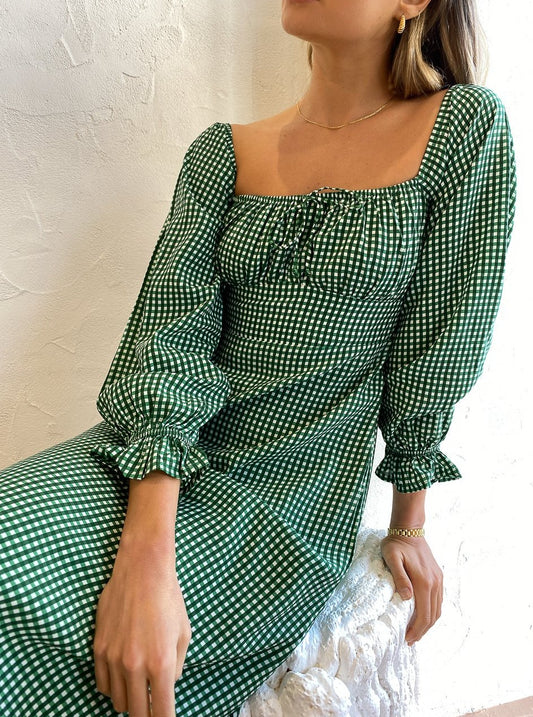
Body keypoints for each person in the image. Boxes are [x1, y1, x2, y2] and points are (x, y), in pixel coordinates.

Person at [0, 0, 517, 714]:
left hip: (283, 500)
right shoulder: (222, 154)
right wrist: (146, 559)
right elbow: (168, 336)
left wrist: (409, 518)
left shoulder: (462, 128)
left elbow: (442, 337)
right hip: (146, 458)